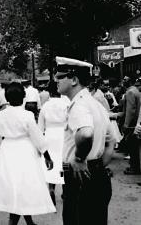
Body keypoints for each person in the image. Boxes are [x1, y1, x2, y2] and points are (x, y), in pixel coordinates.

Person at [55, 56, 115, 225]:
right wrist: (98, 166)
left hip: (79, 178)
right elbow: (110, 141)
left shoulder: (79, 105)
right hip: (97, 175)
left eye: (60, 76)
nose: (56, 80)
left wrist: (80, 158)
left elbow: (86, 133)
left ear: (74, 80)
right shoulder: (95, 104)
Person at [0, 82, 56, 225]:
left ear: (6, 98)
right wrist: (47, 156)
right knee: (24, 186)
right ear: (24, 97)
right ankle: (14, 222)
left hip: (7, 152)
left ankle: (28, 221)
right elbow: (37, 137)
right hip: (24, 152)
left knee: (15, 187)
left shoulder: (1, 116)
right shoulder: (27, 115)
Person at [38, 80, 69, 206]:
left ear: (49, 92)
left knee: (52, 163)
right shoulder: (66, 103)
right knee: (64, 161)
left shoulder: (45, 106)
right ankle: (66, 191)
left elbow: (40, 128)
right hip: (63, 134)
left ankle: (51, 188)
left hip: (50, 136)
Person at [123, 76, 141, 175]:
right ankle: (135, 166)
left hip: (132, 125)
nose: (123, 81)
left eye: (125, 80)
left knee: (132, 147)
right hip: (135, 123)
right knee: (135, 147)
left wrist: (126, 125)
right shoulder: (136, 91)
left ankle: (134, 168)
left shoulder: (130, 92)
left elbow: (130, 110)